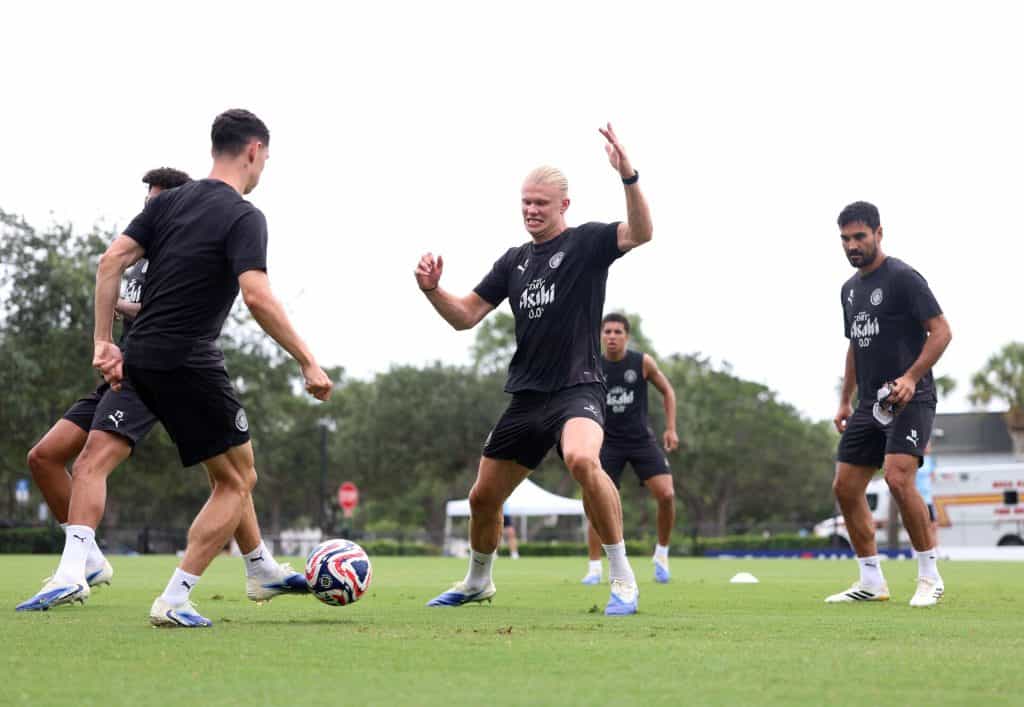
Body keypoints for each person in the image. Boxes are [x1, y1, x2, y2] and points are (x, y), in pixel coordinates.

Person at [51, 109, 330, 628]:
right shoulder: (245, 215)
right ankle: (177, 597)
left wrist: (104, 344)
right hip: (189, 359)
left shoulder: (169, 203)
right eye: (266, 156)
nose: (264, 165)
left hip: (143, 360)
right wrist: (308, 360)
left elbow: (110, 261)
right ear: (253, 151)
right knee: (239, 479)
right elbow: (257, 294)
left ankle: (259, 568)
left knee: (224, 470)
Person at [416, 124, 652, 616]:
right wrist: (434, 291)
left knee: (583, 461)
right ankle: (478, 581)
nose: (531, 210)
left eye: (541, 203)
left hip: (578, 389)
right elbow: (465, 316)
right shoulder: (515, 262)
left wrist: (628, 176)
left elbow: (642, 233)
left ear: (563, 206)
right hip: (527, 397)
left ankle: (623, 578)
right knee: (482, 498)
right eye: (526, 202)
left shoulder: (588, 243)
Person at [826, 201, 952, 607]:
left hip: (910, 398)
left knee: (898, 480)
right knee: (845, 488)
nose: (852, 245)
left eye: (859, 236)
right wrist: (845, 399)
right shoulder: (849, 290)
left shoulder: (903, 278)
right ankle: (871, 580)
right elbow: (854, 345)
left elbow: (942, 331)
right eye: (845, 238)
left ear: (879, 233)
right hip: (868, 404)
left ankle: (930, 576)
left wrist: (912, 378)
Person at [581, 313, 678, 585]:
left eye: (618, 332)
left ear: (627, 336)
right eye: (607, 331)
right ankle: (594, 567)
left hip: (640, 440)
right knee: (594, 501)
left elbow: (668, 391)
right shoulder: (592, 364)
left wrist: (670, 428)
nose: (612, 336)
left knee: (667, 494)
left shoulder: (642, 362)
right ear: (601, 335)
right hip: (606, 442)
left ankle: (661, 554)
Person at [917, 442, 938, 536]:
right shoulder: (916, 460)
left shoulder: (931, 460)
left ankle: (936, 548)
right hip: (918, 498)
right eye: (926, 445)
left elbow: (933, 477)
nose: (928, 448)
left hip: (928, 498)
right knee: (920, 525)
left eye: (929, 446)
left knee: (933, 525)